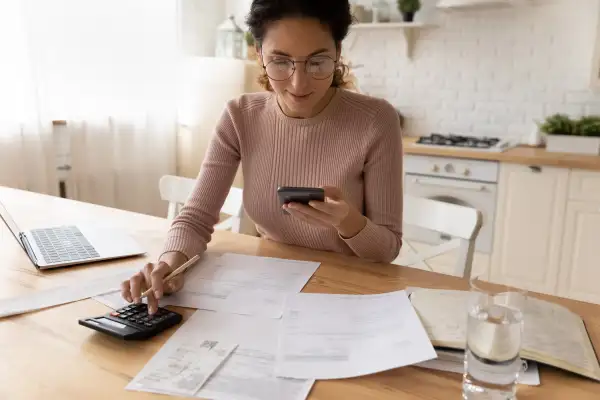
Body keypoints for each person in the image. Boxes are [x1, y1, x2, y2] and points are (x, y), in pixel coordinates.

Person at [121, 0, 404, 314]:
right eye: (280, 62)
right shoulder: (240, 115)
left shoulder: (376, 120)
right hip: (268, 292)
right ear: (259, 55)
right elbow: (196, 218)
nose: (299, 83)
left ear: (337, 52)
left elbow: (387, 249)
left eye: (317, 62)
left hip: (349, 295)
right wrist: (169, 265)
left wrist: (350, 222)